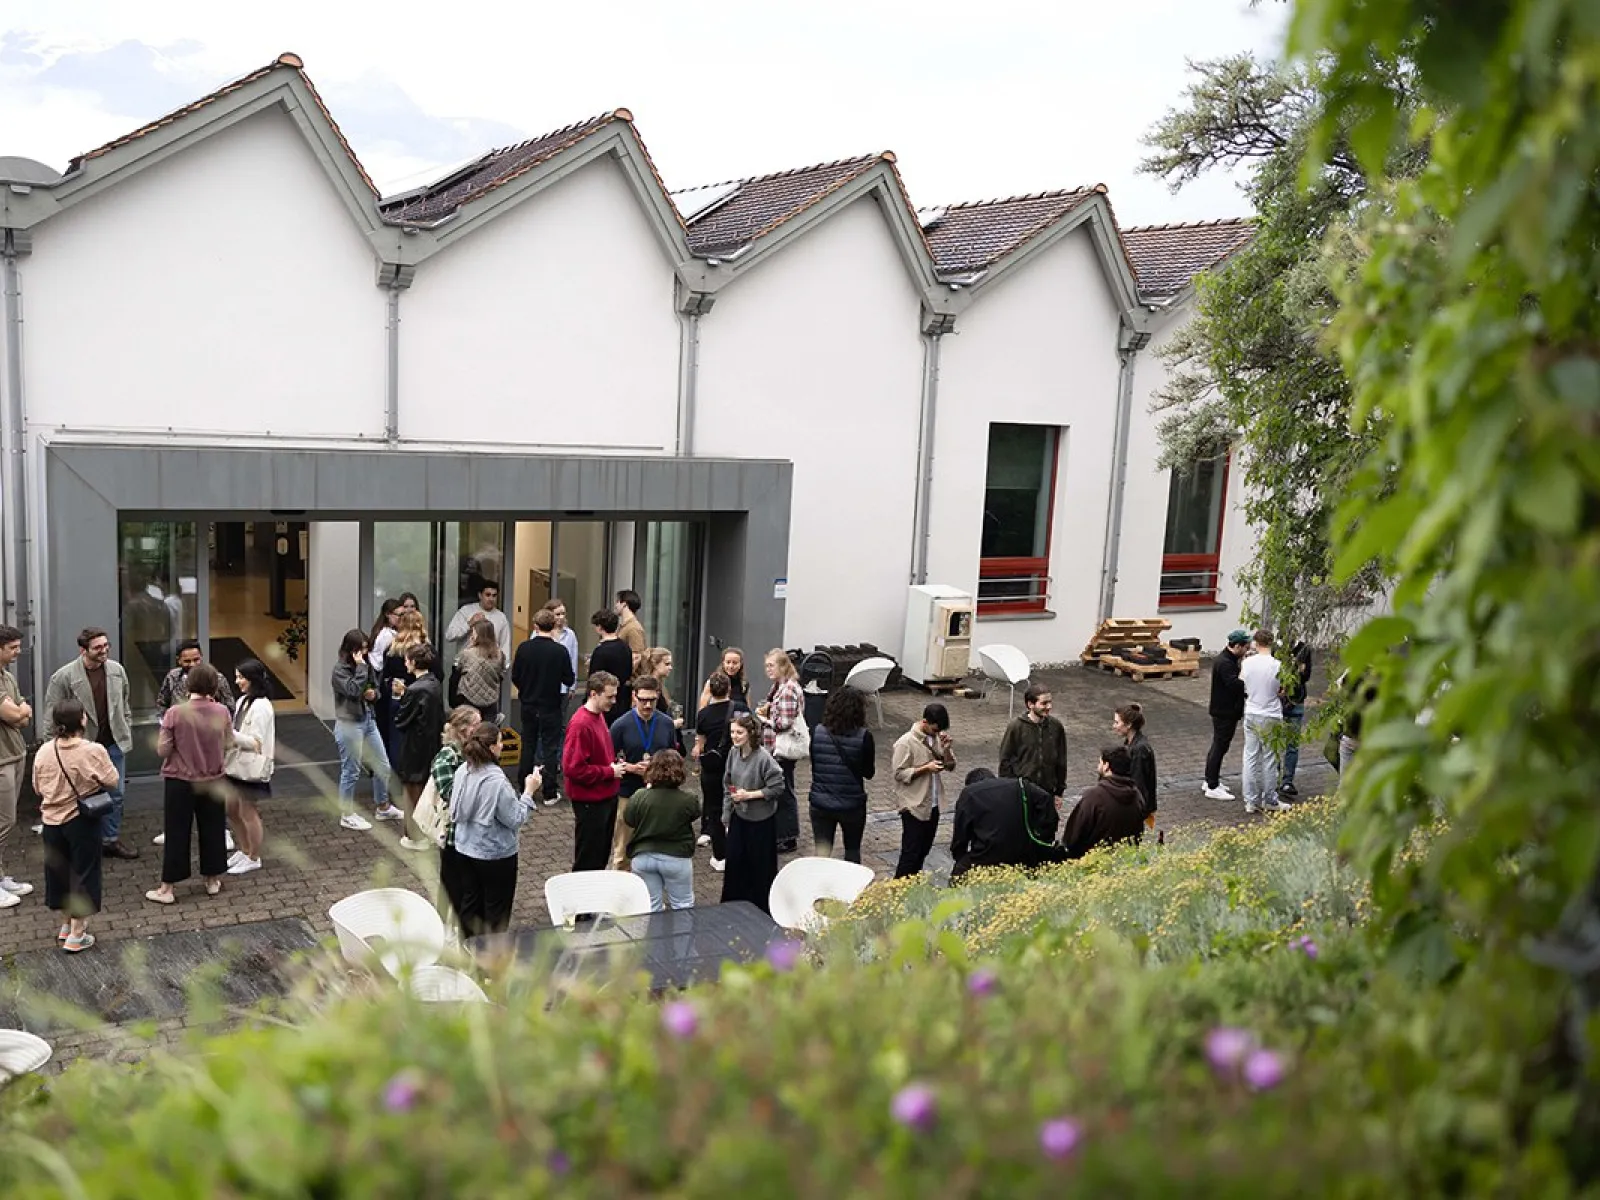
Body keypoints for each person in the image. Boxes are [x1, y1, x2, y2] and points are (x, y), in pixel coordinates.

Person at [33, 698, 119, 950]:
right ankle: (77, 933)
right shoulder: (93, 750)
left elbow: (37, 787)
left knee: (59, 872)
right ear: (82, 720)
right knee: (84, 871)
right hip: (80, 820)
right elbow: (112, 780)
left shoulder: (44, 751)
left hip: (51, 820)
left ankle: (65, 925)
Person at [44, 628, 137, 860]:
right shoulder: (63, 677)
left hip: (113, 743)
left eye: (106, 645)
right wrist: (53, 750)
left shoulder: (117, 671)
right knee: (81, 797)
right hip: (80, 746)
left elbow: (124, 702)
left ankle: (110, 840)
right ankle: (84, 843)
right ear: (83, 650)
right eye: (98, 647)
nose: (104, 650)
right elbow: (51, 716)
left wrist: (126, 726)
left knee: (116, 794)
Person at [146, 663, 234, 905]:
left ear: (188, 685)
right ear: (214, 686)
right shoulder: (222, 712)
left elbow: (163, 749)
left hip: (180, 780)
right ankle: (212, 880)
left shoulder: (175, 713)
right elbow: (228, 743)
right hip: (214, 779)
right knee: (213, 829)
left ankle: (168, 888)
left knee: (177, 832)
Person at [449, 722, 541, 937]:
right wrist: (529, 792)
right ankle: (491, 963)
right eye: (500, 742)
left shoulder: (463, 770)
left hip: (464, 849)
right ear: (492, 748)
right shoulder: (497, 781)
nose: (502, 745)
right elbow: (515, 818)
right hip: (495, 855)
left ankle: (467, 953)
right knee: (495, 912)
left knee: (470, 905)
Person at [331, 628, 404, 831]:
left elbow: (375, 688)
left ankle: (383, 806)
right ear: (350, 650)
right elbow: (353, 690)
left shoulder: (365, 666)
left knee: (383, 765)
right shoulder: (340, 670)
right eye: (360, 650)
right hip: (349, 724)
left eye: (365, 649)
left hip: (368, 720)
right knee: (351, 770)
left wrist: (375, 694)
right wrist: (362, 669)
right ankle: (346, 814)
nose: (363, 654)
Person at [608, 675, 679, 868]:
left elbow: (674, 755)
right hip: (628, 792)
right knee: (623, 847)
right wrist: (630, 767)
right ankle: (621, 889)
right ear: (633, 697)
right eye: (643, 700)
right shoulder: (620, 725)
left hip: (658, 792)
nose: (647, 705)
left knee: (656, 847)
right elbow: (608, 759)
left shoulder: (665, 723)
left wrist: (658, 767)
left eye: (652, 700)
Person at [561, 671, 629, 871]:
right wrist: (609, 772)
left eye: (615, 696)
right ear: (593, 694)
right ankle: (582, 899)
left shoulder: (598, 716)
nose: (614, 701)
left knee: (599, 857)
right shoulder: (581, 724)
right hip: (591, 802)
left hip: (605, 798)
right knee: (588, 860)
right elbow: (573, 768)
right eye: (609, 696)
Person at [949, 767, 1067, 882]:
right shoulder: (1020, 785)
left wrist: (960, 857)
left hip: (986, 855)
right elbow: (1046, 800)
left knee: (958, 876)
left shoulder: (969, 793)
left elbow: (960, 837)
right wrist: (1043, 836)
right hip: (1024, 852)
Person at [721, 713, 785, 912]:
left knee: (759, 867)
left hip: (761, 821)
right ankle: (733, 906)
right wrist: (726, 815)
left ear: (750, 733)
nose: (735, 736)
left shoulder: (763, 759)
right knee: (735, 861)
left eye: (739, 732)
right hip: (739, 816)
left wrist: (749, 795)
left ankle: (761, 907)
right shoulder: (733, 752)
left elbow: (777, 787)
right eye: (732, 732)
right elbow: (728, 783)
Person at [624, 749, 702, 911]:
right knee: (683, 905)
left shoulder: (639, 796)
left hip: (643, 857)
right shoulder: (689, 799)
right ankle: (683, 936)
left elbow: (629, 820)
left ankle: (653, 936)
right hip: (676, 857)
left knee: (651, 906)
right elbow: (695, 814)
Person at [807, 685, 876, 863]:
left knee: (822, 853)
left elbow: (815, 765)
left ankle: (822, 887)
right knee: (852, 850)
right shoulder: (864, 736)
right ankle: (851, 888)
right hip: (851, 804)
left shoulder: (817, 732)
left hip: (820, 803)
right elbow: (869, 773)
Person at [511, 608, 574, 804]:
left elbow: (515, 676)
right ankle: (549, 791)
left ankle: (524, 786)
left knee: (528, 744)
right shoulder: (560, 651)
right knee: (550, 747)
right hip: (551, 705)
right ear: (554, 625)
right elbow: (569, 677)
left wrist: (526, 689)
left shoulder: (524, 648)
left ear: (535, 626)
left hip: (529, 704)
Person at [223, 658, 276, 876]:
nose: (238, 682)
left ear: (252, 679)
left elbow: (256, 742)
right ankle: (244, 850)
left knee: (248, 811)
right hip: (236, 765)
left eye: (241, 677)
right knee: (232, 809)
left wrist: (231, 735)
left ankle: (254, 856)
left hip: (250, 767)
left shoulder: (262, 706)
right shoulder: (245, 700)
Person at [891, 702, 956, 879]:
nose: (938, 733)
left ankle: (912, 886)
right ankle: (899, 890)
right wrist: (925, 768)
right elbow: (898, 773)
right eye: (935, 730)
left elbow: (950, 766)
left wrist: (947, 749)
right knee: (910, 854)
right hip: (914, 805)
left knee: (923, 851)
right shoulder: (906, 742)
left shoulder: (936, 739)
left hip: (933, 804)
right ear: (924, 722)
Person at [431, 705, 482, 926]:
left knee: (469, 893)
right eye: (476, 725)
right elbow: (453, 799)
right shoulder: (446, 757)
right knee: (453, 892)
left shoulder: (471, 753)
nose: (481, 729)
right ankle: (446, 935)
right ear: (464, 729)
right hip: (453, 838)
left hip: (471, 837)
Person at [394, 643, 447, 850]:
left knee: (412, 791)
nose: (405, 663)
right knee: (426, 790)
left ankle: (414, 836)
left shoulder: (415, 690)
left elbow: (401, 720)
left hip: (414, 747)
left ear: (413, 662)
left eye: (407, 659)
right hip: (431, 745)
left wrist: (402, 697)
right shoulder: (433, 683)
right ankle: (425, 832)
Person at [757, 648, 805, 854]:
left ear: (783, 666)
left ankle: (787, 837)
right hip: (776, 748)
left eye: (772, 665)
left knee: (784, 792)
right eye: (766, 665)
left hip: (782, 749)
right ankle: (781, 834)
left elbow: (784, 723)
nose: (768, 669)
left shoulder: (787, 690)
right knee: (781, 789)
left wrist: (764, 720)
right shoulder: (780, 686)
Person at [1059, 746, 1148, 859]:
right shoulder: (1137, 796)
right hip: (1125, 861)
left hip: (1094, 863)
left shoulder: (1094, 797)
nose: (1098, 766)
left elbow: (1073, 836)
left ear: (1107, 766)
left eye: (1100, 762)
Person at [0, 625, 33, 909]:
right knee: (3, 822)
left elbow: (23, 714)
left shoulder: (7, 677)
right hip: (0, 760)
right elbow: (13, 713)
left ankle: (0, 878)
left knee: (6, 821)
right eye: (12, 647)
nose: (18, 651)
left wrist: (17, 713)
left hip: (15, 753)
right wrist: (17, 713)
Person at [1239, 629, 1289, 815]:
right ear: (1271, 643)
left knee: (1250, 756)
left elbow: (1244, 684)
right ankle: (1269, 798)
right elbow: (1281, 690)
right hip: (1271, 713)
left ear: (1255, 642)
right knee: (1269, 758)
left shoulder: (1247, 663)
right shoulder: (1277, 665)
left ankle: (1250, 801)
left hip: (1251, 710)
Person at [692, 671, 735, 871]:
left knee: (714, 808)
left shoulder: (703, 714)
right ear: (729, 689)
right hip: (735, 765)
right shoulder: (738, 709)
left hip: (712, 767)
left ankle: (721, 856)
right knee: (738, 807)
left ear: (709, 690)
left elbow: (700, 744)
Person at [1203, 629, 1251, 800]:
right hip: (1225, 712)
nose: (1247, 650)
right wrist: (1248, 680)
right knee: (1220, 746)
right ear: (1237, 646)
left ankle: (1210, 778)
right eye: (1246, 647)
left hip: (1223, 710)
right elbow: (1234, 684)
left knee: (1218, 745)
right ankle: (1212, 785)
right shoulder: (1225, 663)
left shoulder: (1228, 659)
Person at [998, 685, 1068, 800]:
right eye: (1044, 703)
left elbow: (1061, 760)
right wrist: (1008, 790)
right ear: (1030, 704)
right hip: (1023, 792)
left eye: (1050, 702)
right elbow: (1005, 761)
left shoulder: (1056, 727)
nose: (1049, 707)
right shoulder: (1016, 727)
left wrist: (1059, 791)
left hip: (1047, 792)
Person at [381, 609, 430, 769]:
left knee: (396, 740)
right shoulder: (424, 650)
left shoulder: (392, 649)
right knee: (417, 742)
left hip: (396, 698)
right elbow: (438, 675)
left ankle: (396, 779)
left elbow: (385, 677)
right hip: (419, 700)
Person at [156, 640, 235, 714]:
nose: (192, 664)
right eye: (187, 661)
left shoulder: (217, 678)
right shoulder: (172, 677)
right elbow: (162, 704)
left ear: (201, 657)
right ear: (179, 660)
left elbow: (230, 707)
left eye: (196, 659)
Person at [453, 616, 505, 725]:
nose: (472, 635)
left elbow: (459, 670)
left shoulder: (467, 654)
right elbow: (501, 674)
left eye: (474, 633)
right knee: (487, 733)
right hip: (491, 700)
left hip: (469, 699)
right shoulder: (499, 655)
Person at [1278, 638, 1314, 797]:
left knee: (1292, 745)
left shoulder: (1303, 649)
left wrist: (1297, 670)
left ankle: (1287, 781)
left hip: (1296, 700)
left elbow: (1305, 675)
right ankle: (1274, 778)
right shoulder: (1276, 647)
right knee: (1275, 744)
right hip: (1277, 702)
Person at [446, 581, 511, 664]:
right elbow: (449, 635)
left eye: (494, 595)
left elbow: (505, 645)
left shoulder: (501, 617)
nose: (491, 599)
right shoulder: (466, 611)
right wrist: (469, 623)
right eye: (487, 595)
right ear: (480, 595)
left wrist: (503, 668)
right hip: (464, 665)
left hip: (489, 668)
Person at [1113, 703, 1157, 821]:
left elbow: (1139, 782)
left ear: (1128, 725)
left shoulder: (1139, 749)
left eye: (1117, 722)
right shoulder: (1131, 743)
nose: (1114, 726)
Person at [589, 609, 636, 714]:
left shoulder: (600, 651)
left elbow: (593, 679)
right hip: (623, 697)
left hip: (604, 699)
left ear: (600, 628)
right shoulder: (625, 647)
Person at [548, 599, 581, 714]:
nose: (561, 617)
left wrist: (572, 686)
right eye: (557, 614)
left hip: (563, 686)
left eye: (563, 614)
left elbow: (573, 660)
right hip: (545, 686)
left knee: (561, 720)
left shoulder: (570, 635)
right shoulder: (541, 632)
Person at [699, 646, 751, 714]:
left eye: (735, 663)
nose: (731, 666)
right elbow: (702, 708)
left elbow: (748, 709)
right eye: (728, 662)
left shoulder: (744, 684)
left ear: (740, 664)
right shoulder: (713, 682)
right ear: (723, 663)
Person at [614, 589, 648, 674]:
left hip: (629, 682)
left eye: (617, 601)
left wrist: (622, 676)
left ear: (624, 604)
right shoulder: (624, 626)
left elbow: (636, 657)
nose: (615, 605)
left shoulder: (633, 628)